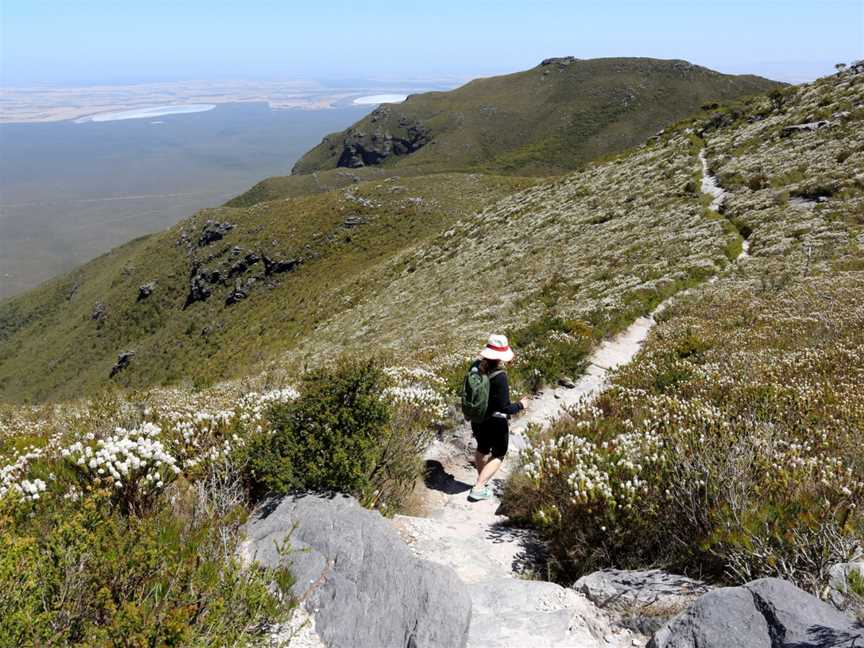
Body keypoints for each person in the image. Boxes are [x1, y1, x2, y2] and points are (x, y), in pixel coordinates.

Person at [468, 333, 527, 501]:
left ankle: (481, 481)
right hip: (495, 420)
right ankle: (479, 487)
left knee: (482, 448)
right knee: (500, 453)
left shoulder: (474, 366)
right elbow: (505, 407)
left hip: (477, 418)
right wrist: (521, 405)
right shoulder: (500, 376)